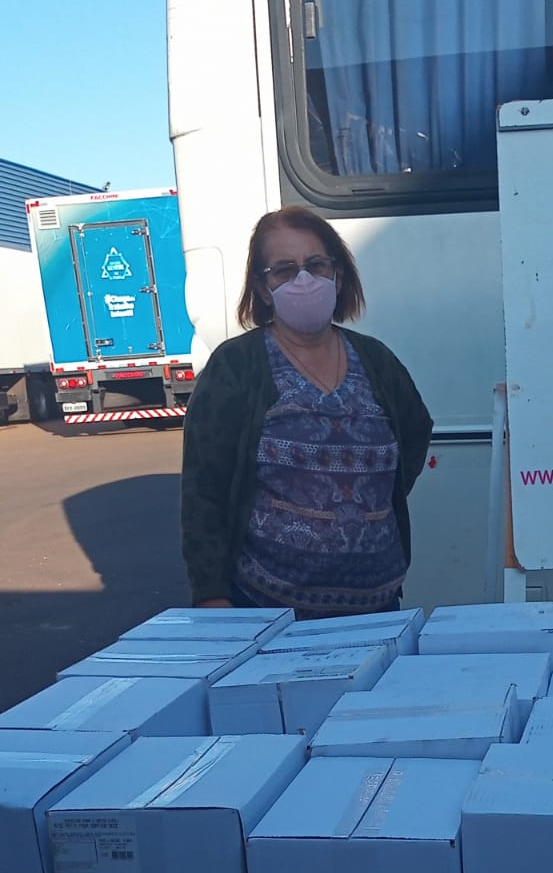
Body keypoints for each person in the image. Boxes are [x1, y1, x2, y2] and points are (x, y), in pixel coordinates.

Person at [180, 206, 433, 618]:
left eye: (316, 265)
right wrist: (211, 595)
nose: (304, 280)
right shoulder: (235, 366)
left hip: (379, 607)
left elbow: (416, 431)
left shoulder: (376, 360)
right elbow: (203, 488)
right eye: (284, 270)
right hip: (267, 610)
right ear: (263, 289)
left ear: (337, 275)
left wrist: (372, 505)